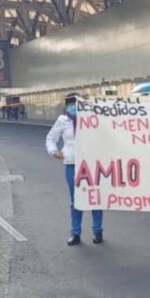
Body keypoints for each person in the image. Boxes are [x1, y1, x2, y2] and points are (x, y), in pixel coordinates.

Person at [46, 92, 103, 246]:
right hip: (72, 163)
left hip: (92, 163)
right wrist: (53, 151)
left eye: (75, 104)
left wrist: (90, 101)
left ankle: (98, 230)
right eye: (70, 105)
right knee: (76, 199)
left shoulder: (92, 117)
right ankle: (75, 233)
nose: (73, 107)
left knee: (95, 197)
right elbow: (51, 138)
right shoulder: (63, 120)